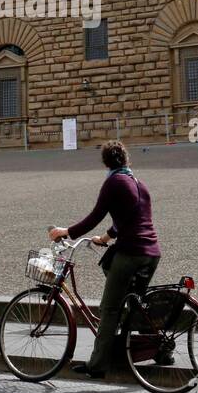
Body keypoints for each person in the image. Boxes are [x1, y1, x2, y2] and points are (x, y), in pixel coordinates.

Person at [49, 141, 162, 379]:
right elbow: (128, 218)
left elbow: (95, 216)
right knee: (135, 303)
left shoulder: (113, 182)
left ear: (105, 162)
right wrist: (106, 237)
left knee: (109, 308)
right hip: (151, 253)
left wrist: (66, 232)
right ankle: (162, 350)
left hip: (131, 252)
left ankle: (97, 365)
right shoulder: (138, 183)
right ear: (126, 159)